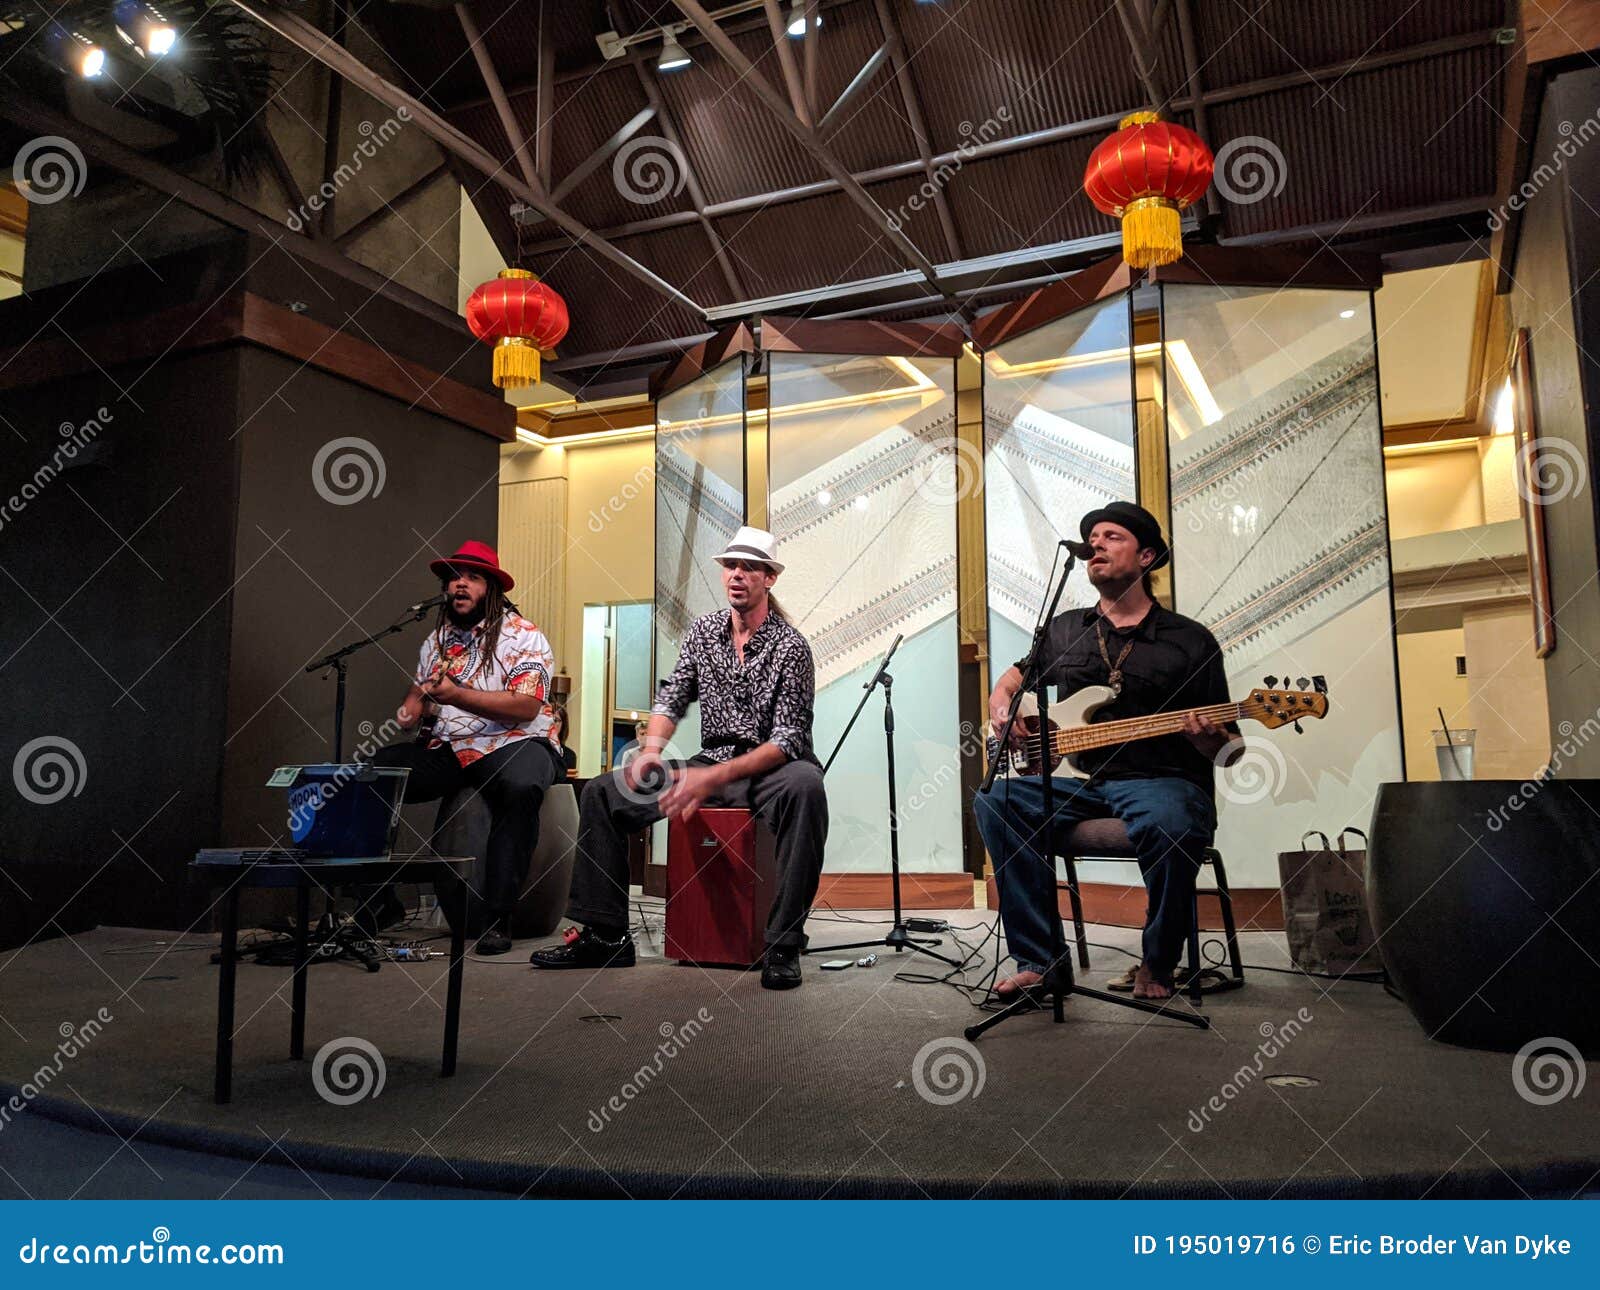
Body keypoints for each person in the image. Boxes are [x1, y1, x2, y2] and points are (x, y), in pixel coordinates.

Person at [530, 526, 828, 990]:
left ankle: (784, 943)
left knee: (808, 788)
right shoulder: (705, 632)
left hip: (772, 768)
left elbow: (788, 739)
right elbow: (673, 695)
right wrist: (651, 751)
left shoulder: (791, 647)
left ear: (769, 579)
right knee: (606, 792)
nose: (736, 574)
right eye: (731, 565)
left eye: (750, 567)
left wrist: (712, 780)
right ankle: (607, 936)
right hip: (712, 761)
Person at [973, 502, 1241, 1001]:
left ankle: (1159, 962)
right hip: (1083, 784)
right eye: (1092, 537)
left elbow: (1231, 751)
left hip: (1164, 782)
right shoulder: (1064, 629)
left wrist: (1211, 741)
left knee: (1172, 822)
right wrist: (1000, 701)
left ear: (1146, 557)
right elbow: (1018, 674)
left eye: (1111, 536)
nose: (1095, 544)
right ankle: (1041, 963)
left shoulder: (1190, 640)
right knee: (996, 801)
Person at [370, 541, 563, 956]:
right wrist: (411, 706)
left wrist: (455, 695)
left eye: (472, 577)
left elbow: (525, 706)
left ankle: (497, 918)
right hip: (455, 746)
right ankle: (379, 902)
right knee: (374, 775)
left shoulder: (524, 636)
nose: (460, 585)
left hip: (515, 740)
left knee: (522, 786)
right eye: (454, 577)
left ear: (492, 588)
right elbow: (421, 688)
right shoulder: (439, 639)